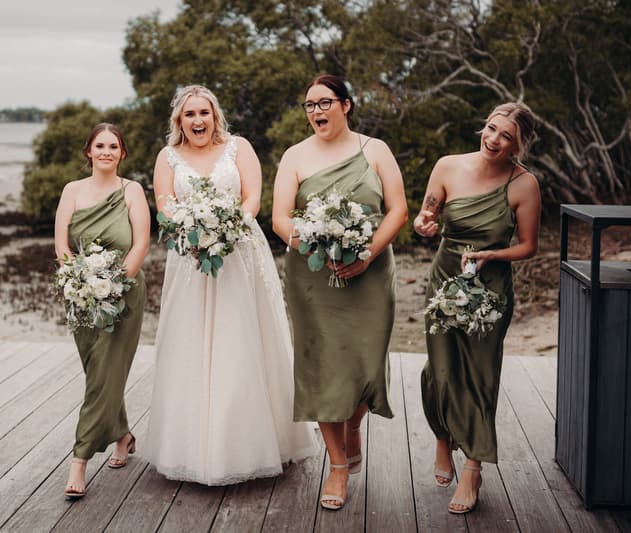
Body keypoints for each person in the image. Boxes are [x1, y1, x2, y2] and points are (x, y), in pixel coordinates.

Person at [146, 85, 317, 485]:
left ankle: (252, 445)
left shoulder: (238, 147)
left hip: (238, 253)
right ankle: (192, 449)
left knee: (241, 342)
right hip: (189, 258)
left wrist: (224, 229)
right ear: (179, 121)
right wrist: (193, 229)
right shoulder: (167, 157)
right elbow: (165, 204)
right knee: (190, 343)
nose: (198, 121)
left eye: (204, 112)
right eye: (190, 115)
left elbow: (252, 199)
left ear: (215, 115)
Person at [272, 74, 408, 510]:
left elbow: (398, 210)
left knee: (366, 363)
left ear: (346, 105)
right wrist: (317, 244)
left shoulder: (375, 150)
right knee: (321, 366)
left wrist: (366, 254)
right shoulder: (294, 156)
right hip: (313, 276)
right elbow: (278, 219)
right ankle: (336, 465)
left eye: (324, 102)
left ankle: (352, 426)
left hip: (370, 274)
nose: (316, 111)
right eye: (309, 105)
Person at [413, 102, 540, 514]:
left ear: (518, 145)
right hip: (445, 279)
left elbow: (528, 246)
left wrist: (490, 256)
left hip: (491, 287)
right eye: (491, 128)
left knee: (481, 374)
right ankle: (442, 439)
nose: (494, 139)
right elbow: (426, 214)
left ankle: (473, 468)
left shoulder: (524, 185)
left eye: (506, 136)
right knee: (441, 368)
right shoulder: (448, 166)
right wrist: (424, 224)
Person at [54, 123, 150, 498]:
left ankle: (79, 460)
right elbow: (62, 244)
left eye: (114, 146)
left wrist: (113, 286)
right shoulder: (71, 191)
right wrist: (79, 280)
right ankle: (123, 436)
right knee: (98, 371)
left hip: (123, 295)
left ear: (122, 153)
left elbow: (141, 242)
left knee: (102, 377)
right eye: (100, 145)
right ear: (89, 152)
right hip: (80, 295)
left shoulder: (132, 191)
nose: (107, 151)